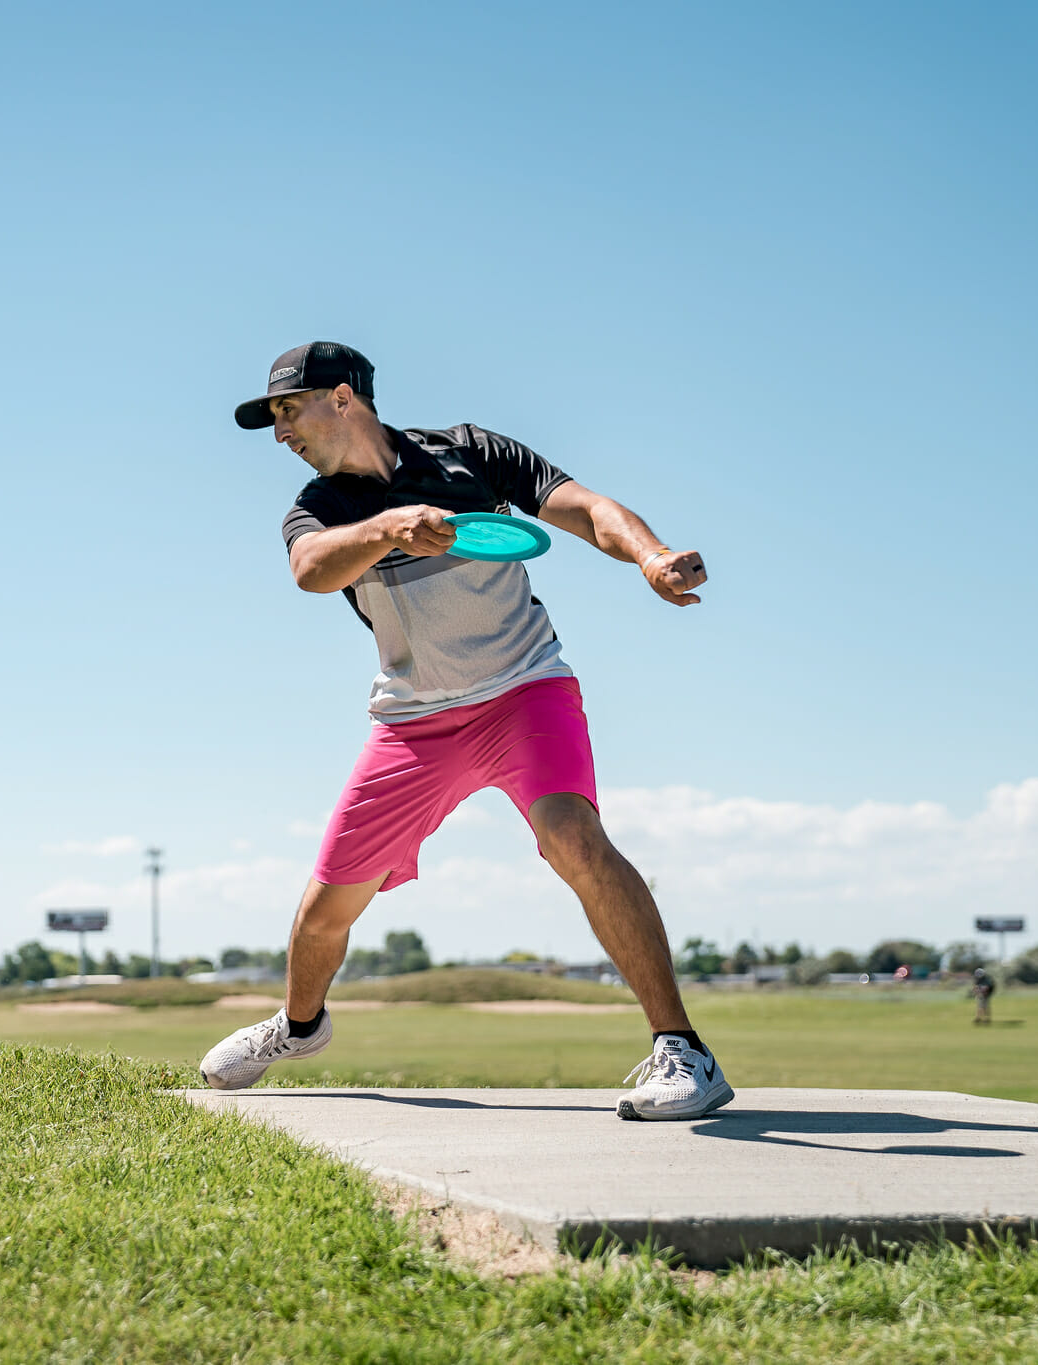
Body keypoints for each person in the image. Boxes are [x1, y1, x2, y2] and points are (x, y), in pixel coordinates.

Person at [198, 342, 732, 1120]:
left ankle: (684, 1051)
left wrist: (649, 557)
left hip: (524, 689)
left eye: (288, 409)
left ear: (344, 398)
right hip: (413, 723)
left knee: (571, 836)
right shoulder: (317, 507)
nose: (281, 432)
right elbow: (311, 569)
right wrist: (389, 527)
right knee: (325, 912)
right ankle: (299, 1026)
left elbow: (582, 507)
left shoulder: (471, 454)